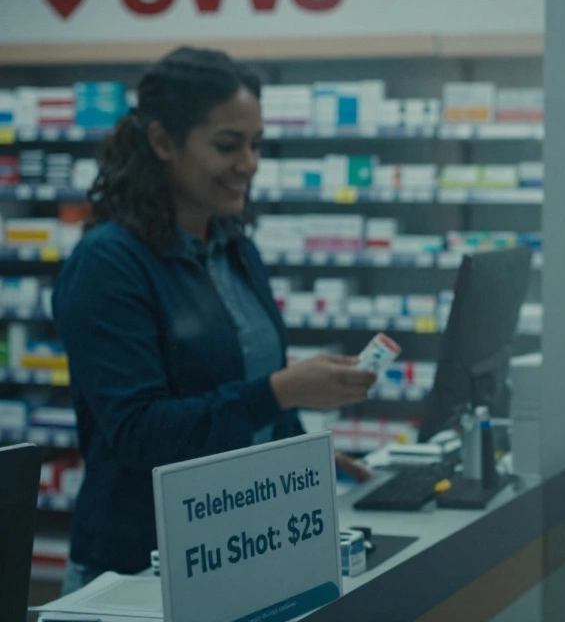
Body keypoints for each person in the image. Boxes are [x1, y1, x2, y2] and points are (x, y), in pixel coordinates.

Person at [52, 47, 377, 595]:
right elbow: (139, 433)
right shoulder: (108, 265)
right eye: (227, 145)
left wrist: (298, 452)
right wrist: (278, 393)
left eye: (255, 145)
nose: (248, 164)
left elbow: (238, 389)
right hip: (138, 569)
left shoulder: (234, 248)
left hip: (241, 548)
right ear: (161, 142)